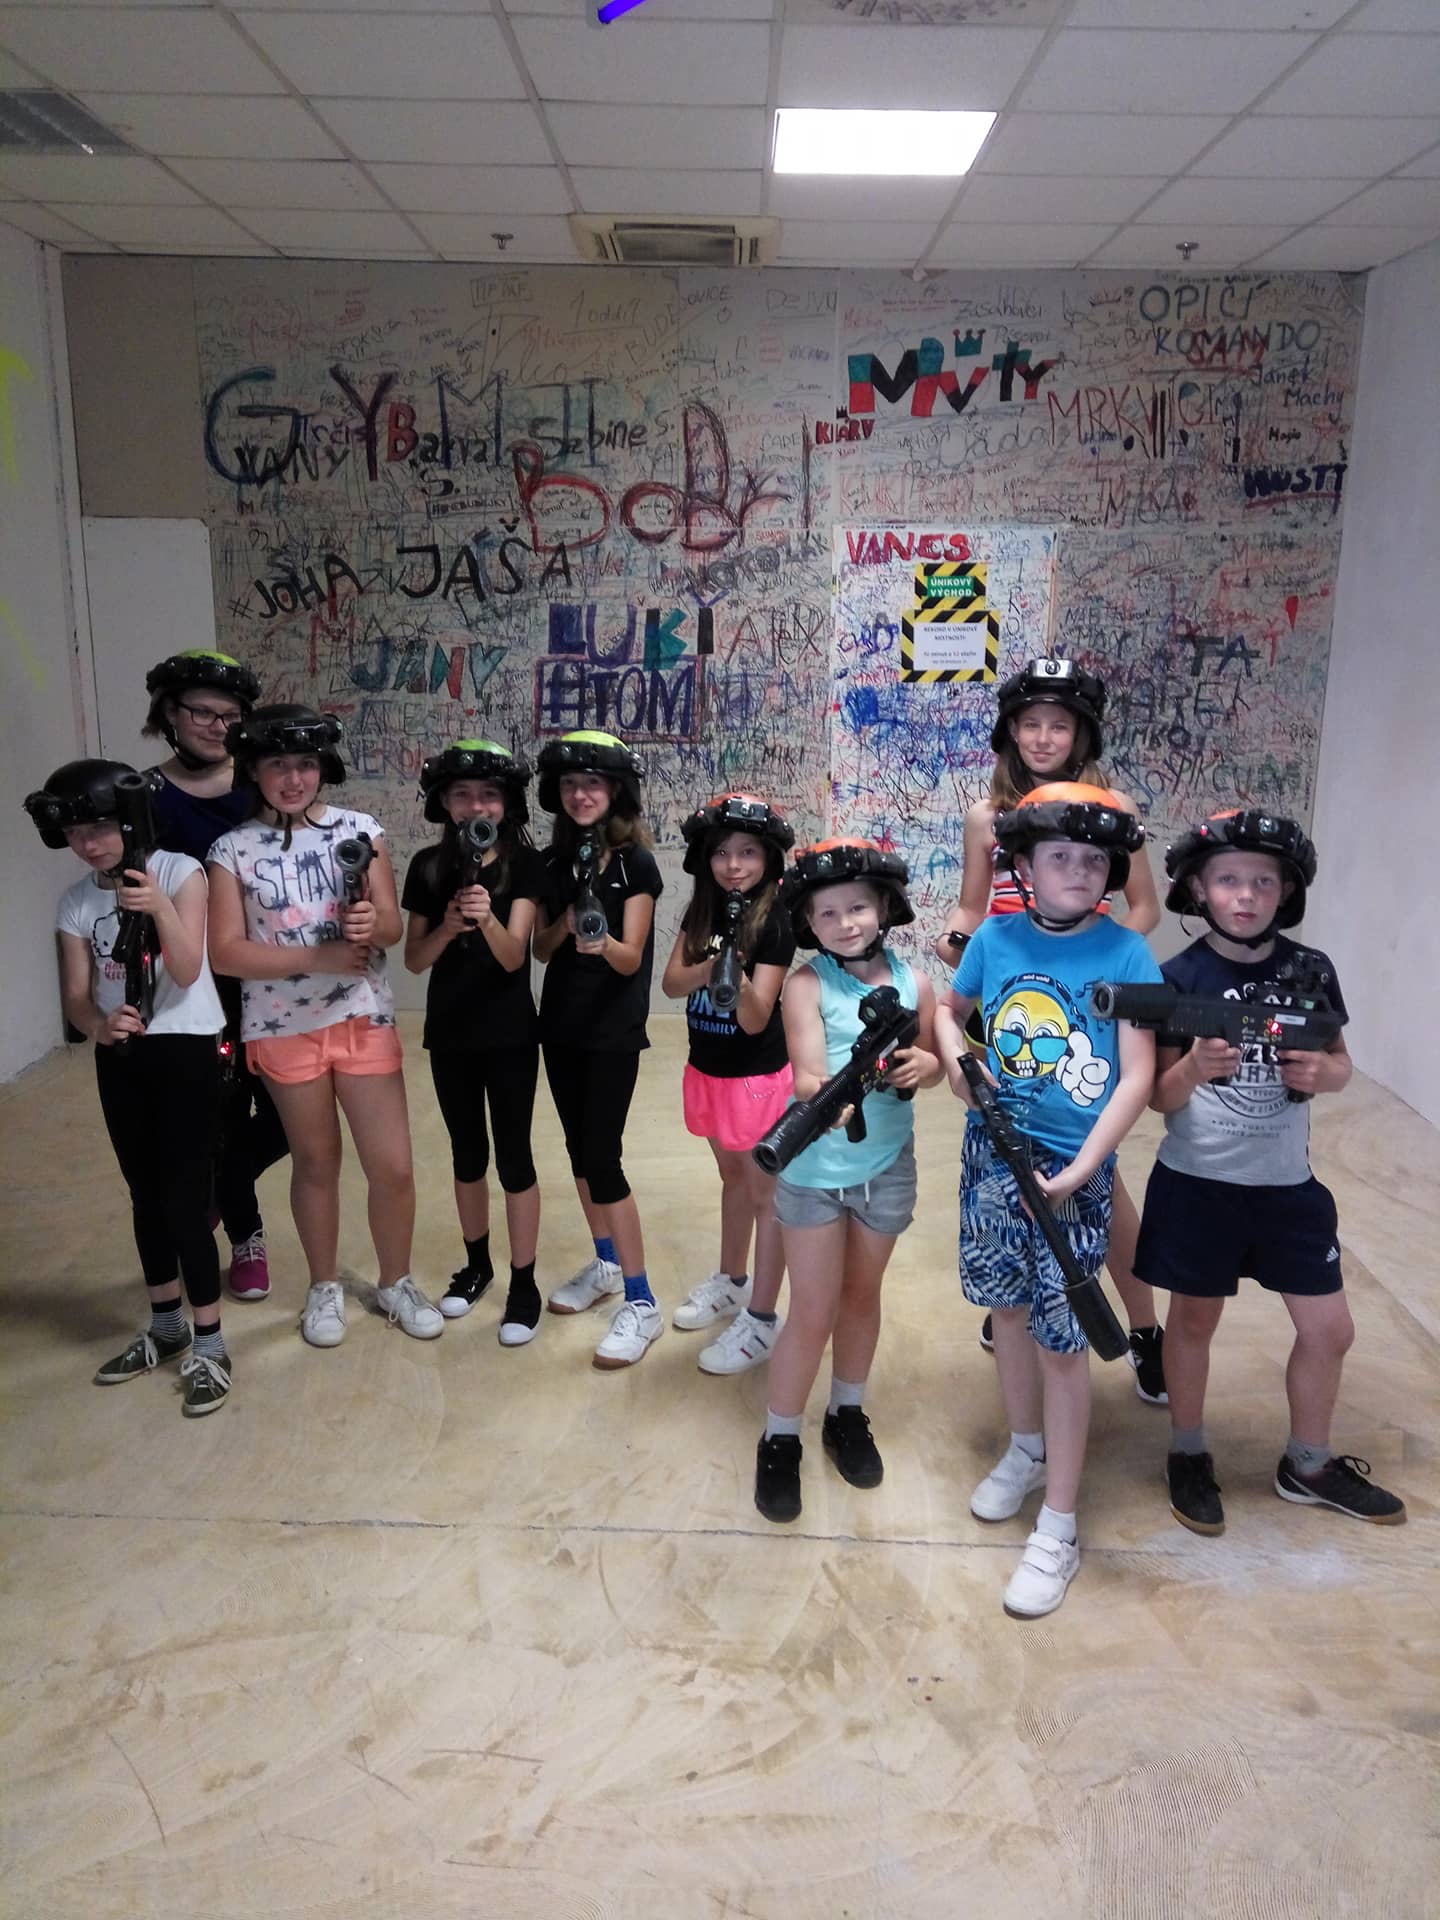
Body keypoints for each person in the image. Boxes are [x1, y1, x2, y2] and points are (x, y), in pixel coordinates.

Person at [1135, 809, 1406, 1535]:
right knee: (1194, 1321)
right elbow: (1158, 1097)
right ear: (1199, 889)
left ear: (1286, 891)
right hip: (1199, 1184)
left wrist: (1325, 1073)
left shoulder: (1310, 970)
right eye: (1229, 880)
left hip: (1287, 1187)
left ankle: (1307, 1463)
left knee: (1330, 1329)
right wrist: (1195, 1067)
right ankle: (1188, 1451)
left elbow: (1340, 1063)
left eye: (1263, 881)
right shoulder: (1177, 979)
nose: (1246, 895)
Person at [934, 784, 1162, 1618]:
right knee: (1007, 1310)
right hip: (993, 1157)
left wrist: (1083, 1171)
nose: (1078, 871)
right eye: (1058, 856)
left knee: (1065, 1340)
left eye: (1094, 859)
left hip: (1074, 1168)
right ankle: (1025, 1449)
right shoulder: (995, 939)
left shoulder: (1127, 954)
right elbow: (949, 1013)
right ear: (1022, 866)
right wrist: (960, 1066)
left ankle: (1059, 1524)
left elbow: (1136, 1076)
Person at [935, 657, 1166, 1403]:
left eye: (1058, 726)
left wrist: (1096, 966)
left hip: (1083, 1006)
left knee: (1101, 1183)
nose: (1042, 738)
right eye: (1029, 724)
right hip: (1012, 1002)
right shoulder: (987, 817)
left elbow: (1144, 909)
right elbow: (973, 906)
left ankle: (1143, 1329)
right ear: (1010, 732)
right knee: (1009, 1155)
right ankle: (1018, 1288)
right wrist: (957, 938)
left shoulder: (1112, 807)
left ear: (1082, 735)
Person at [205, 704, 442, 1347]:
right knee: (315, 1163)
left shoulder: (360, 830)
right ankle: (324, 1285)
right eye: (277, 764)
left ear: (323, 767)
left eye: (305, 764)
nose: (293, 779)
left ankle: (395, 1280)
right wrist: (319, 957)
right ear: (253, 770)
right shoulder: (231, 849)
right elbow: (225, 951)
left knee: (392, 1165)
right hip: (281, 1028)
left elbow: (391, 926)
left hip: (361, 1016)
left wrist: (372, 925)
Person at [24, 759, 232, 1415]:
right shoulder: (76, 902)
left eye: (101, 828)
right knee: (145, 1194)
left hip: (187, 1046)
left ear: (132, 821)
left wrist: (160, 907)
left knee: (184, 1197)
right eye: (76, 833)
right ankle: (166, 1325)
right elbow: (76, 997)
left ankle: (210, 1342)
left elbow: (189, 966)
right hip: (123, 1053)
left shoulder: (180, 871)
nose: (89, 844)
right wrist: (100, 1025)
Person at [753, 840, 942, 1524]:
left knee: (861, 1298)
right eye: (826, 913)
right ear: (809, 922)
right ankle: (779, 1436)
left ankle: (846, 1413)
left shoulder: (917, 984)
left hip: (886, 1169)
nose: (845, 923)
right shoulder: (806, 986)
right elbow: (807, 1075)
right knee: (812, 1309)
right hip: (813, 1176)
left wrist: (924, 1067)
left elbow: (934, 1061)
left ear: (885, 908)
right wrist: (834, 1097)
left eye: (858, 907)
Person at [142, 647, 288, 1305]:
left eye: (229, 715)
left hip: (272, 975)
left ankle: (217, 1188)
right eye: (201, 711)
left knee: (286, 1117)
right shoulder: (145, 795)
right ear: (169, 714)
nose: (215, 725)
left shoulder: (263, 784)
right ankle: (246, 1233)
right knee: (215, 1109)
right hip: (189, 981)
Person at [403, 740, 547, 1345]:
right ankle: (478, 1264)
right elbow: (414, 959)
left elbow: (515, 957)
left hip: (510, 1033)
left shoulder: (527, 865)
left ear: (507, 803)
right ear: (443, 803)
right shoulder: (427, 867)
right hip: (450, 1032)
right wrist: (447, 926)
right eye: (461, 795)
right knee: (467, 1154)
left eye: (488, 795)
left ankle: (524, 1281)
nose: (475, 805)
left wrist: (486, 918)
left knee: (514, 1157)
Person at [532, 730, 665, 1369]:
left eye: (593, 784)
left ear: (616, 791)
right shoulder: (554, 863)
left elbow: (632, 957)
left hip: (612, 1029)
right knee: (578, 1153)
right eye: (570, 784)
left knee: (604, 1160)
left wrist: (602, 940)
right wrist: (566, 922)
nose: (581, 794)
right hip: (560, 1025)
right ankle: (607, 1263)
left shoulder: (636, 864)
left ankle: (642, 1300)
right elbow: (538, 949)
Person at [661, 792, 797, 1374]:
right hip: (709, 1071)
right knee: (732, 1178)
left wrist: (736, 976)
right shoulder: (701, 914)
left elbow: (757, 1017)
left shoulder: (776, 922)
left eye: (748, 852)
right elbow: (671, 984)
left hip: (756, 1078)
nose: (734, 865)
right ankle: (733, 1280)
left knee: (767, 1196)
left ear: (768, 859)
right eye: (721, 853)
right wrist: (708, 966)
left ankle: (762, 1318)